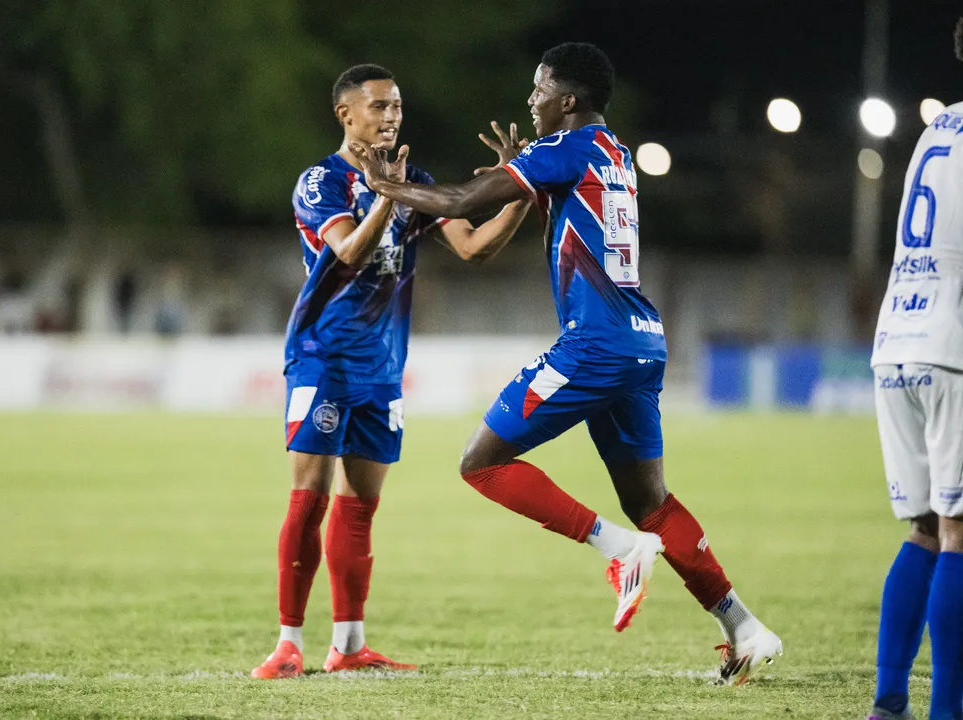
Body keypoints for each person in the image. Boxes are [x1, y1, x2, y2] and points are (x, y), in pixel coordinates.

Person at [349, 42, 782, 685]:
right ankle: (744, 627)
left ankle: (621, 551)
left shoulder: (564, 148)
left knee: (481, 462)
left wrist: (391, 186)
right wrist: (514, 178)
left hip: (596, 345)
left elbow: (467, 201)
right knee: (653, 502)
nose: (532, 100)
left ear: (569, 100)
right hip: (641, 340)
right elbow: (507, 204)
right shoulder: (617, 152)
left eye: (540, 88)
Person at [251, 64, 533, 679]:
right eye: (378, 107)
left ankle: (349, 646)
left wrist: (521, 190)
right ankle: (288, 643)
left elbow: (472, 246)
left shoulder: (415, 182)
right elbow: (349, 251)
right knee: (310, 497)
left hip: (383, 367)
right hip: (322, 357)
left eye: (397, 107)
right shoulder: (320, 181)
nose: (391, 117)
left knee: (361, 506)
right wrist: (386, 192)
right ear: (345, 115)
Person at [866, 19, 963, 720]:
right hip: (951, 345)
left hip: (897, 335)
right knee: (960, 532)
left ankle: (889, 702)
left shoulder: (938, 129)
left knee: (924, 528)